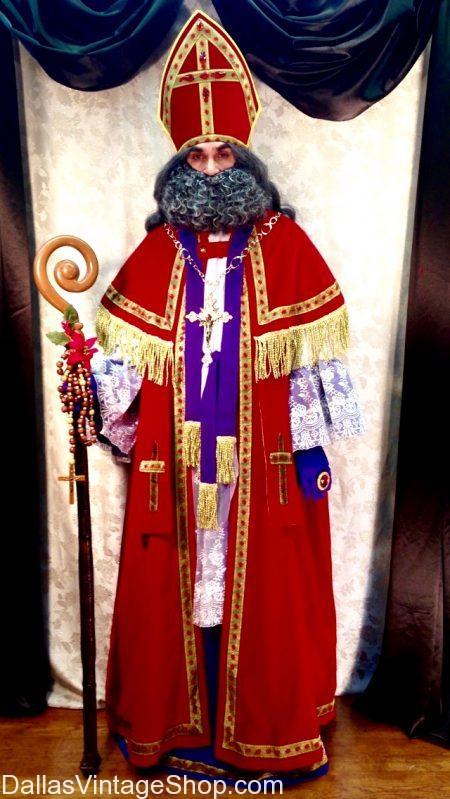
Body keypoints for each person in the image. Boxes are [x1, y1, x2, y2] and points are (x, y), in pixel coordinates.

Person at [92, 9, 364, 788]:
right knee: (179, 590)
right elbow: (123, 362)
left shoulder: (287, 246)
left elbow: (310, 364)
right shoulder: (156, 252)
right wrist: (94, 392)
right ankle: (182, 723)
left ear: (245, 156)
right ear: (178, 162)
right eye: (197, 154)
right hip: (177, 468)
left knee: (266, 593)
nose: (211, 167)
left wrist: (307, 452)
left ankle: (262, 730)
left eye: (223, 153)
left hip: (261, 466)